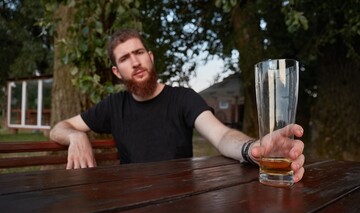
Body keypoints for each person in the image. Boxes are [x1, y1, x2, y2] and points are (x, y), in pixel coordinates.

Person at [50, 29, 305, 183]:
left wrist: (254, 148)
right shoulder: (114, 106)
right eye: (125, 58)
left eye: (139, 53)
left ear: (150, 57)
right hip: (131, 205)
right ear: (117, 72)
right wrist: (75, 135)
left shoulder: (183, 98)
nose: (135, 62)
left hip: (182, 200)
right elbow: (59, 128)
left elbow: (223, 135)